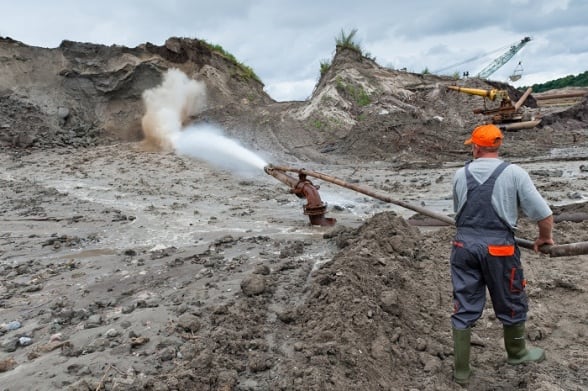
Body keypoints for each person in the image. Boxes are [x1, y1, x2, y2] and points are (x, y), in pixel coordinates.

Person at [450, 124, 554, 385]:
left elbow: (459, 214)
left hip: (463, 247)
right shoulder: (515, 173)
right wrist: (544, 238)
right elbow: (544, 215)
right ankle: (517, 352)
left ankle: (461, 370)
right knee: (511, 298)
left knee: (464, 303)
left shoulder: (459, 175)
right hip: (500, 249)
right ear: (498, 146)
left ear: (475, 147)